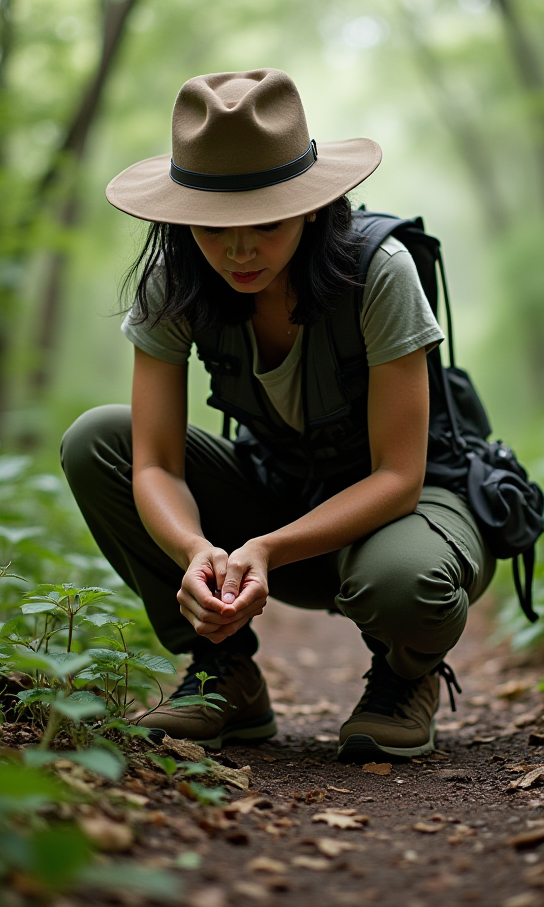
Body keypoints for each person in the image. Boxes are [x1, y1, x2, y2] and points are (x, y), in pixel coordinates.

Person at [61, 68, 494, 762]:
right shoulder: (174, 282)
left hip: (399, 512)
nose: (238, 250)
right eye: (213, 227)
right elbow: (155, 463)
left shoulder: (380, 272)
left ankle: (403, 676)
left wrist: (267, 549)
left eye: (265, 223)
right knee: (96, 440)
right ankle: (222, 671)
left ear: (313, 207)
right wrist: (196, 553)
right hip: (276, 490)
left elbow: (399, 478)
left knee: (405, 583)